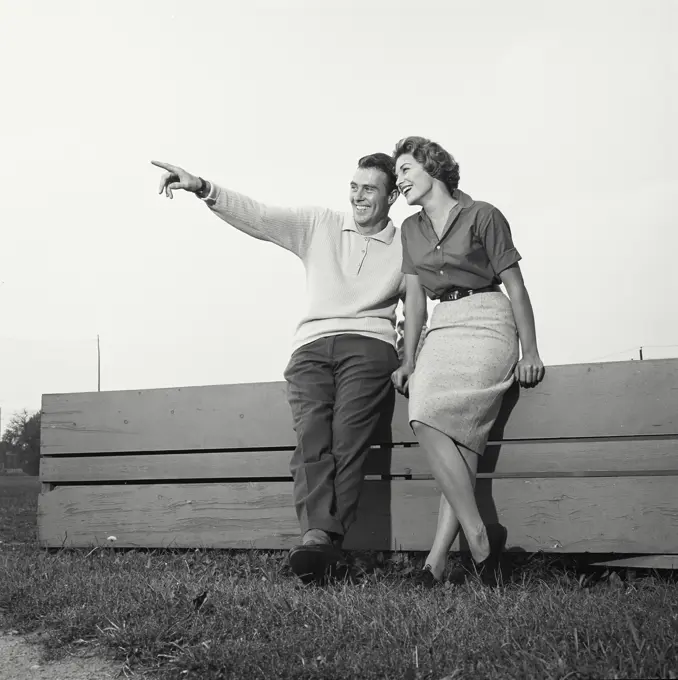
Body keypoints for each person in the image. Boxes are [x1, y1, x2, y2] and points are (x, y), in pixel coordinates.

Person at [151, 155, 405, 583]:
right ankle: (319, 542)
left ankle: (324, 543)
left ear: (392, 195)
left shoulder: (406, 244)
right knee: (311, 439)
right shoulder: (320, 224)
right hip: (311, 346)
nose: (357, 196)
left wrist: (414, 358)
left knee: (348, 439)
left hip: (370, 345)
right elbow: (261, 217)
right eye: (354, 186)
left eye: (370, 189)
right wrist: (203, 188)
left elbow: (421, 299)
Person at [390, 136, 545, 587]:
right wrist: (409, 359)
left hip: (488, 319)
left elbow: (515, 286)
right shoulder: (410, 230)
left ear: (431, 167)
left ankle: (437, 560)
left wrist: (530, 351)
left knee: (450, 427)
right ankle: (480, 537)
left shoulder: (483, 215)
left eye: (404, 169)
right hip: (444, 323)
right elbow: (415, 301)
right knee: (425, 414)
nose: (399, 180)